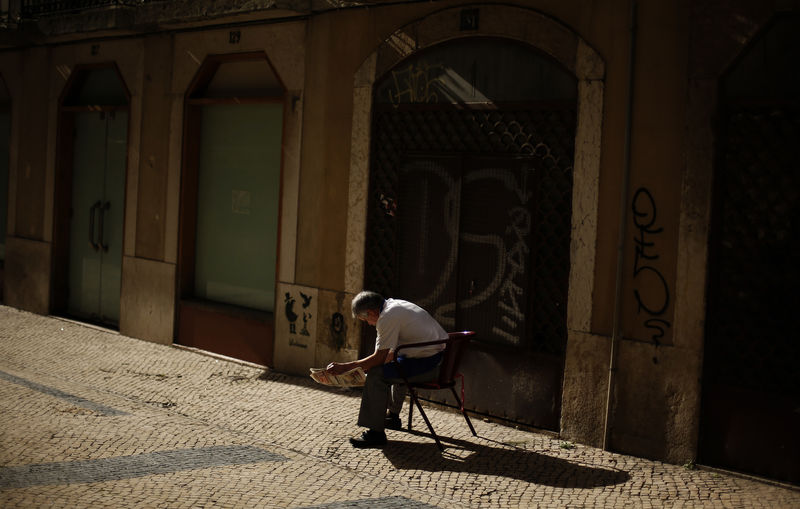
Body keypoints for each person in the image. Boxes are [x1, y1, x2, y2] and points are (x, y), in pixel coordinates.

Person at [326, 291, 447, 448]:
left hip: (431, 365)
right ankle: (393, 417)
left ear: (371, 312)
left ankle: (375, 433)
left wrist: (345, 367)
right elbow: (387, 355)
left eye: (365, 319)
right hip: (435, 359)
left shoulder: (387, 317)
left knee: (377, 375)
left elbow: (379, 358)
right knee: (390, 366)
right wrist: (365, 366)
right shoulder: (394, 307)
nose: (369, 324)